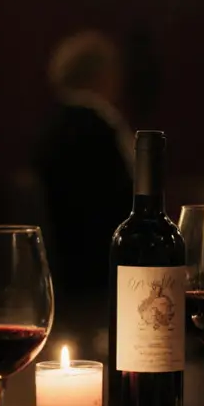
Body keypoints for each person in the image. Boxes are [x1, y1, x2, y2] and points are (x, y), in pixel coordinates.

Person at [32, 30, 133, 356]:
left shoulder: (48, 128)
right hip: (100, 265)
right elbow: (129, 200)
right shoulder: (102, 127)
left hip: (61, 264)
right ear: (104, 74)